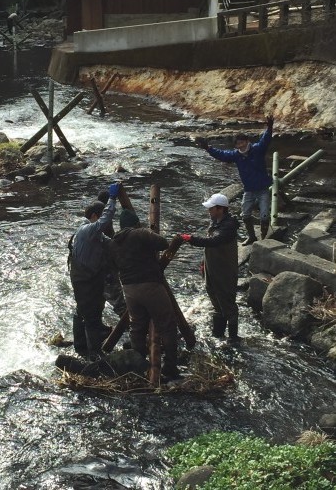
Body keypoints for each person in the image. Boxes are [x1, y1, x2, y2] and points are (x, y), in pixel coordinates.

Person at [109, 209, 180, 380]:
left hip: (129, 289)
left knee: (137, 326)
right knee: (167, 323)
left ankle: (138, 365)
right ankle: (170, 366)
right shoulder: (140, 233)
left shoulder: (113, 243)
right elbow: (163, 243)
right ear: (135, 223)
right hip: (150, 285)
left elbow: (112, 265)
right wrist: (149, 234)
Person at [196, 116, 274, 245]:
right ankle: (252, 237)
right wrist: (208, 148)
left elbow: (265, 140)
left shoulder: (257, 149)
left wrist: (270, 127)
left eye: (242, 142)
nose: (241, 145)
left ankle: (263, 239)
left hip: (262, 189)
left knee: (264, 215)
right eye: (238, 144)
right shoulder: (236, 155)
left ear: (247, 141)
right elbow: (222, 155)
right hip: (249, 190)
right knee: (245, 215)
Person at [180, 193, 240, 343]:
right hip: (211, 269)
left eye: (211, 208)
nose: (209, 211)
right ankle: (218, 335)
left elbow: (214, 241)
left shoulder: (229, 226)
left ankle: (233, 338)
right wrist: (203, 263)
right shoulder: (215, 221)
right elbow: (210, 247)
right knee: (216, 301)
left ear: (220, 209)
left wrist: (192, 239)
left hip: (224, 271)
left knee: (228, 304)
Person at [69, 182, 120, 360]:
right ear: (93, 216)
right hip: (84, 281)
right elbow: (105, 219)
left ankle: (81, 347)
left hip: (91, 278)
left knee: (87, 312)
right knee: (89, 316)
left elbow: (113, 245)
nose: (105, 224)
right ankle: (94, 356)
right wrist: (112, 198)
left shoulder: (96, 235)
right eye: (99, 218)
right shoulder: (86, 230)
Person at [97, 189, 127, 317]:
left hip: (97, 266)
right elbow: (110, 239)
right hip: (106, 264)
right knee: (116, 295)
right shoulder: (102, 218)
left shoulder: (94, 214)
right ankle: (127, 323)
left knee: (99, 296)